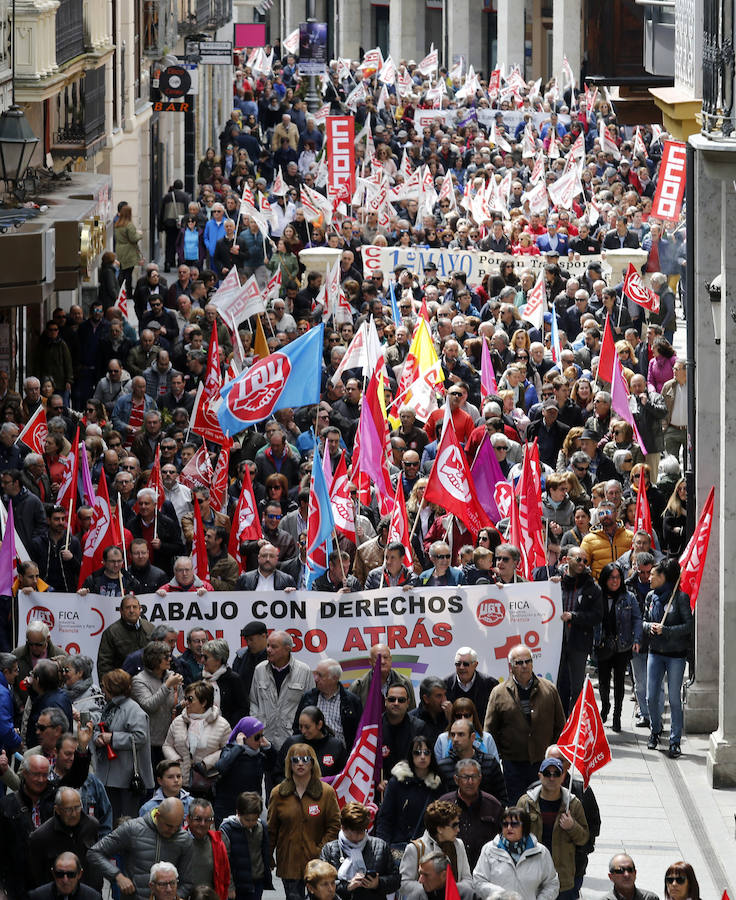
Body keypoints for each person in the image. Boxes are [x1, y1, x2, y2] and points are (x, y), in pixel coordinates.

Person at [484, 644, 566, 805]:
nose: (524, 666)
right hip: (513, 765)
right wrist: (500, 759)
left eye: (527, 661)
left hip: (543, 764)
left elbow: (560, 727)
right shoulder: (499, 692)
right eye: (519, 662)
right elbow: (490, 731)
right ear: (511, 666)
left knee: (541, 808)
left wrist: (559, 758)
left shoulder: (549, 690)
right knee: (517, 810)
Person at [267, 743, 341, 900]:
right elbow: (271, 829)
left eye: (305, 759)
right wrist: (268, 856)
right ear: (289, 764)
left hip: (318, 866)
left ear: (312, 762)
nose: (300, 763)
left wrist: (319, 851)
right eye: (296, 760)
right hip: (289, 864)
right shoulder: (278, 793)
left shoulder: (326, 792)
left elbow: (334, 826)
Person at [87, 797, 193, 900]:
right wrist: (118, 876)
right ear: (157, 815)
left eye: (177, 826)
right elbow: (94, 853)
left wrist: (175, 896)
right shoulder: (133, 829)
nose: (173, 831)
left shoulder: (184, 839)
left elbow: (187, 881)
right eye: (169, 826)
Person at [517, 757, 589, 900]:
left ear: (563, 777)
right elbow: (512, 835)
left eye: (556, 774)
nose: (551, 777)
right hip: (532, 876)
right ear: (540, 776)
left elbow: (583, 839)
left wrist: (572, 826)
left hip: (562, 878)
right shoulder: (526, 803)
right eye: (547, 773)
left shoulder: (573, 804)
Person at [643, 559, 693, 758]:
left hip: (675, 656)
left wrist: (667, 630)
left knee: (673, 699)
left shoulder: (680, 598)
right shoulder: (650, 597)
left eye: (654, 574)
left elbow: (688, 626)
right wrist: (650, 628)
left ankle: (675, 740)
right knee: (651, 696)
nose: (650, 578)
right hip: (655, 653)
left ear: (664, 577)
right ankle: (655, 730)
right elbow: (644, 621)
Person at [94, 668, 154, 821]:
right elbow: (99, 728)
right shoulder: (110, 707)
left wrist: (112, 738)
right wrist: (98, 738)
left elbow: (140, 737)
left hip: (126, 778)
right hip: (109, 775)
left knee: (126, 819)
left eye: (105, 686)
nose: (103, 689)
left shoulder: (134, 710)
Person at [375, 733, 444, 855]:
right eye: (417, 752)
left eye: (426, 752)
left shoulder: (437, 784)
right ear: (410, 755)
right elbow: (385, 819)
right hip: (399, 847)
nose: (422, 756)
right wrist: (383, 850)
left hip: (429, 849)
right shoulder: (397, 782)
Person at [472, 806, 559, 900]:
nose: (509, 828)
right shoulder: (489, 849)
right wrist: (501, 895)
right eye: (505, 824)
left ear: (525, 826)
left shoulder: (541, 852)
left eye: (514, 824)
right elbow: (478, 881)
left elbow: (552, 884)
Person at [595, 563, 642, 732]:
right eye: (611, 577)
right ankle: (605, 706)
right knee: (603, 683)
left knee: (620, 682)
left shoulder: (628, 597)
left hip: (622, 646)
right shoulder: (597, 596)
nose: (615, 581)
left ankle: (617, 715)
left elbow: (637, 619)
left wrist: (637, 639)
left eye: (617, 577)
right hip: (602, 645)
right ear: (605, 579)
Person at [0, 755, 56, 899]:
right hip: (17, 885)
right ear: (24, 773)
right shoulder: (6, 805)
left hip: (51, 883)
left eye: (45, 775)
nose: (41, 780)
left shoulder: (57, 802)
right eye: (36, 774)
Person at [162, 680, 230, 795]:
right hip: (180, 782)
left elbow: (228, 750)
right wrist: (175, 760)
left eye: (190, 699)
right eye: (185, 698)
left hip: (208, 783)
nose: (185, 702)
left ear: (203, 702)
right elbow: (167, 745)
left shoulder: (222, 724)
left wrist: (207, 763)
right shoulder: (179, 721)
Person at [320, 802, 400, 900]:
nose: (360, 836)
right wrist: (347, 887)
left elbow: (396, 881)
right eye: (355, 832)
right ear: (343, 828)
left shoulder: (380, 846)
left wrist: (378, 883)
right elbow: (321, 885)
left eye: (362, 831)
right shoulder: (329, 850)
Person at [249, 630, 315, 750]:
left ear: (287, 649)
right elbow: (254, 702)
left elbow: (311, 707)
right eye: (268, 645)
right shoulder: (260, 669)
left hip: (292, 740)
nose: (268, 649)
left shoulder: (304, 671)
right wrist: (256, 728)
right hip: (264, 738)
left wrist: (301, 734)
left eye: (274, 647)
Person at [28, 787, 102, 891]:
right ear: (57, 810)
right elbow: (36, 877)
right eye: (68, 809)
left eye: (77, 808)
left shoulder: (91, 825)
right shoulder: (40, 837)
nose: (74, 814)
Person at [557, 547, 603, 716]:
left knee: (576, 686)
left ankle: (574, 724)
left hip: (579, 641)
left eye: (585, 561)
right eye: (579, 559)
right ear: (567, 559)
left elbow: (597, 616)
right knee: (558, 683)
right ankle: (559, 722)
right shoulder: (555, 582)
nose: (582, 564)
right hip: (557, 641)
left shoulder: (592, 587)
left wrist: (574, 616)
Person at [399, 800, 473, 900]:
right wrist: (431, 891)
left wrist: (453, 892)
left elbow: (467, 878)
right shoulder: (415, 848)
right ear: (440, 829)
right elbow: (404, 884)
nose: (458, 830)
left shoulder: (458, 844)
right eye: (454, 825)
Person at [438, 757, 504, 869]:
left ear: (480, 778)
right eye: (465, 777)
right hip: (451, 869)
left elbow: (502, 840)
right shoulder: (443, 804)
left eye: (474, 777)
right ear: (456, 779)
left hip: (486, 869)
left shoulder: (494, 806)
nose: (470, 782)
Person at [131, 641, 184, 767]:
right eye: (166, 657)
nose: (170, 659)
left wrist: (184, 703)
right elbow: (149, 705)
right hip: (150, 743)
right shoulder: (139, 680)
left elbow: (178, 704)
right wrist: (167, 686)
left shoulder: (172, 677)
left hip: (171, 741)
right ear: (154, 659)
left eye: (170, 655)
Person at [294, 658, 363, 750]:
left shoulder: (352, 701)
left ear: (335, 678)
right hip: (312, 753)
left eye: (320, 675)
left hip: (340, 755)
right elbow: (297, 727)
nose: (316, 679)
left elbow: (359, 734)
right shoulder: (308, 697)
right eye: (316, 674)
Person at [436, 718, 507, 805]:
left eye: (461, 734)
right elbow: (438, 801)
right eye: (453, 735)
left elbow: (502, 798)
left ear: (472, 737)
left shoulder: (489, 762)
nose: (455, 739)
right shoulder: (443, 766)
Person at [220, 791, 273, 900]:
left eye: (254, 819)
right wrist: (230, 888)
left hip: (257, 880)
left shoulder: (261, 827)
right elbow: (225, 861)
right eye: (247, 820)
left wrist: (268, 866)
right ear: (238, 813)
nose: (251, 823)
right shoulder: (227, 830)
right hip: (238, 884)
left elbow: (264, 849)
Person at [276, 706, 347, 782]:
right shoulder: (292, 743)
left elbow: (343, 776)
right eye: (301, 726)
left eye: (307, 727)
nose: (303, 731)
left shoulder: (335, 746)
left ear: (319, 725)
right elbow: (278, 773)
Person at [95, 595, 154, 681]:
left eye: (134, 607)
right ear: (121, 611)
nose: (131, 610)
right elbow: (104, 664)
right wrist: (107, 687)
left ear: (140, 609)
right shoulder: (111, 632)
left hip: (150, 682)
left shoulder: (150, 628)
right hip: (123, 685)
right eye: (127, 607)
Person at [186, 797, 231, 896]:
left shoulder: (218, 843)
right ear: (188, 819)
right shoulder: (179, 841)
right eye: (198, 819)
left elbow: (225, 873)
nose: (203, 824)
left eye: (207, 820)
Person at [349, 644, 416, 710]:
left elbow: (412, 714)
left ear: (390, 659)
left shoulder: (405, 683)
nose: (382, 662)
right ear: (370, 661)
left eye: (386, 657)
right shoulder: (358, 686)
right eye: (378, 658)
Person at [443, 647, 499, 725]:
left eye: (466, 664)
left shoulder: (490, 684)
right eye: (458, 664)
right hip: (454, 734)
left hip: (482, 733)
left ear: (475, 664)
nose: (461, 667)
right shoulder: (445, 685)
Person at [434, 697, 498, 761]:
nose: (463, 719)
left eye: (467, 715)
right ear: (453, 718)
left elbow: (495, 765)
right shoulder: (442, 739)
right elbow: (436, 768)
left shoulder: (487, 738)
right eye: (458, 716)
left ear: (473, 717)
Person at [28, 851, 102, 899]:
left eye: (70, 874)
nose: (65, 880)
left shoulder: (93, 897)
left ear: (79, 874)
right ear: (53, 873)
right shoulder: (37, 897)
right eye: (60, 874)